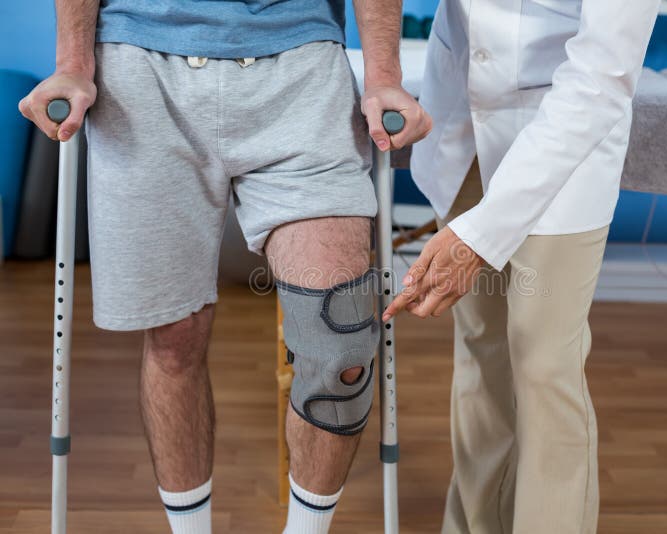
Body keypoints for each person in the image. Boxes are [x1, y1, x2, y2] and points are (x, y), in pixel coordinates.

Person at [19, 1, 430, 533]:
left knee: (341, 340)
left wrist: (384, 76)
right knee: (174, 338)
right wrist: (73, 63)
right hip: (143, 69)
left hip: (300, 66)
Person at [384, 0, 660, 532]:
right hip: (464, 114)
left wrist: (482, 237)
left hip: (564, 135)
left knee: (542, 362)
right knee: (480, 354)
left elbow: (602, 73)